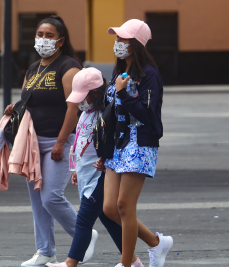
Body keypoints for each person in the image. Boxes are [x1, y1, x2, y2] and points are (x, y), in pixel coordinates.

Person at [3, 15, 85, 267]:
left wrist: (62, 142)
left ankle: (83, 238)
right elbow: (27, 102)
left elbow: (74, 109)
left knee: (51, 196)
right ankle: (45, 251)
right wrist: (13, 109)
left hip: (58, 141)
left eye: (49, 36)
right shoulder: (33, 68)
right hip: (33, 143)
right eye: (40, 34)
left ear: (60, 41)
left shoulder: (69, 66)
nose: (43, 40)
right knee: (37, 198)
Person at [94, 19, 172, 267]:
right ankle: (157, 243)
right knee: (109, 208)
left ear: (136, 44)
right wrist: (103, 150)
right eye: (117, 39)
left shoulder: (150, 75)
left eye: (124, 39)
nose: (118, 44)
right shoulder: (118, 71)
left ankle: (127, 263)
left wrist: (123, 93)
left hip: (140, 143)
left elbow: (149, 115)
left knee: (124, 206)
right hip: (117, 144)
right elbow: (110, 113)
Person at [47, 68, 143, 267]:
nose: (79, 102)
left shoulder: (105, 115)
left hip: (101, 176)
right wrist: (75, 169)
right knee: (108, 219)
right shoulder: (85, 113)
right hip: (86, 174)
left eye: (83, 97)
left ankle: (70, 263)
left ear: (96, 94)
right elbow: (80, 143)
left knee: (83, 220)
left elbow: (112, 143)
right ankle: (133, 260)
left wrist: (104, 160)